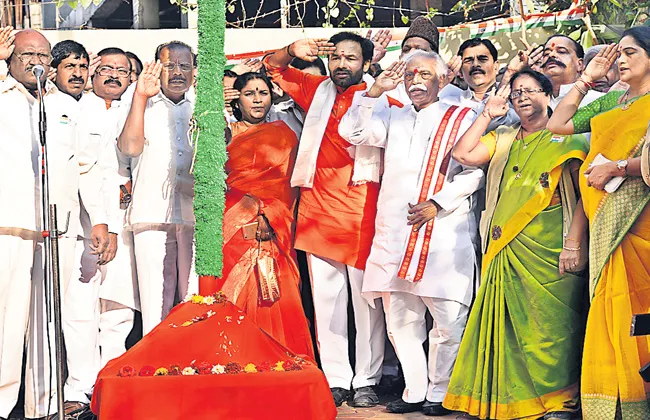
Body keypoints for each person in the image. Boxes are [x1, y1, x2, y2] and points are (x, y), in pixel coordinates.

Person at [340, 51, 482, 416]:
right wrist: (373, 92)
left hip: (442, 231)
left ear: (443, 80)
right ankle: (415, 390)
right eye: (410, 75)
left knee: (449, 319)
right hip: (397, 231)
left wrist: (439, 202)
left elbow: (476, 171)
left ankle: (441, 391)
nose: (415, 81)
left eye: (424, 75)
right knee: (400, 320)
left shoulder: (463, 116)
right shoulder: (393, 114)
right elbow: (353, 132)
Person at [443, 69, 589, 420]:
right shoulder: (505, 137)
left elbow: (585, 195)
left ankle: (558, 401)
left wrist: (574, 243)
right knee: (506, 326)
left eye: (530, 90)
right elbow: (463, 153)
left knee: (551, 328)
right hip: (505, 244)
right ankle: (504, 399)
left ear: (548, 93)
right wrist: (487, 115)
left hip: (552, 245)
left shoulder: (570, 138)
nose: (521, 97)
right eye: (515, 92)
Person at [263, 33, 386, 407]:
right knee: (328, 301)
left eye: (351, 58)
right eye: (336, 58)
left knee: (367, 305)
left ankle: (367, 379)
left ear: (365, 63)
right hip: (317, 211)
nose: (342, 65)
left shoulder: (384, 96)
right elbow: (272, 66)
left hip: (364, 210)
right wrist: (292, 50)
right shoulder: (316, 89)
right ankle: (336, 376)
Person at [0, 28, 109, 419]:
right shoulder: (3, 94)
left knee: (50, 317)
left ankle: (44, 405)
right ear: (10, 57)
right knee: (7, 321)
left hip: (56, 227)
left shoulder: (63, 106)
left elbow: (87, 166)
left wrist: (99, 220)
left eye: (43, 56)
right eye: (27, 54)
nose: (36, 62)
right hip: (8, 225)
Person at [547, 26, 650, 419]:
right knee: (610, 309)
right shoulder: (610, 102)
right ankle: (614, 405)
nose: (620, 60)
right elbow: (557, 124)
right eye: (618, 53)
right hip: (604, 225)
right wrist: (587, 79)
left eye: (631, 53)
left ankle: (639, 400)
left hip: (639, 222)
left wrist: (618, 167)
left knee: (639, 308)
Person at [210, 71, 313, 357]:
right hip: (234, 220)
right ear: (237, 100)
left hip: (274, 224)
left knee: (274, 288)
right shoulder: (227, 131)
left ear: (272, 97)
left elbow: (288, 184)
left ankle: (278, 354)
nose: (257, 99)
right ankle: (232, 356)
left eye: (263, 93)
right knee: (236, 286)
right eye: (249, 93)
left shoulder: (284, 133)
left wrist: (270, 214)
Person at [62, 47, 139, 416]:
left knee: (119, 311)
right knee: (80, 308)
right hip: (84, 225)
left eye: (121, 70)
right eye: (105, 68)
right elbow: (83, 169)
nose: (113, 75)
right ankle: (79, 388)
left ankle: (113, 384)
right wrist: (98, 221)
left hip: (127, 224)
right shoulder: (77, 110)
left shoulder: (138, 110)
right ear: (93, 73)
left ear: (131, 77)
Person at [117, 41, 197, 335]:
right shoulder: (139, 102)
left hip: (194, 218)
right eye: (169, 65)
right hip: (151, 215)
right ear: (157, 69)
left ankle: (191, 367)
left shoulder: (204, 106)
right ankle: (156, 371)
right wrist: (140, 97)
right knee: (154, 305)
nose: (177, 73)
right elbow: (129, 147)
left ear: (194, 70)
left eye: (184, 66)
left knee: (194, 300)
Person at [441, 37, 519, 132]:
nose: (475, 64)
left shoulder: (516, 98)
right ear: (460, 72)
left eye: (482, 59)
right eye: (468, 60)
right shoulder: (449, 102)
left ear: (496, 66)